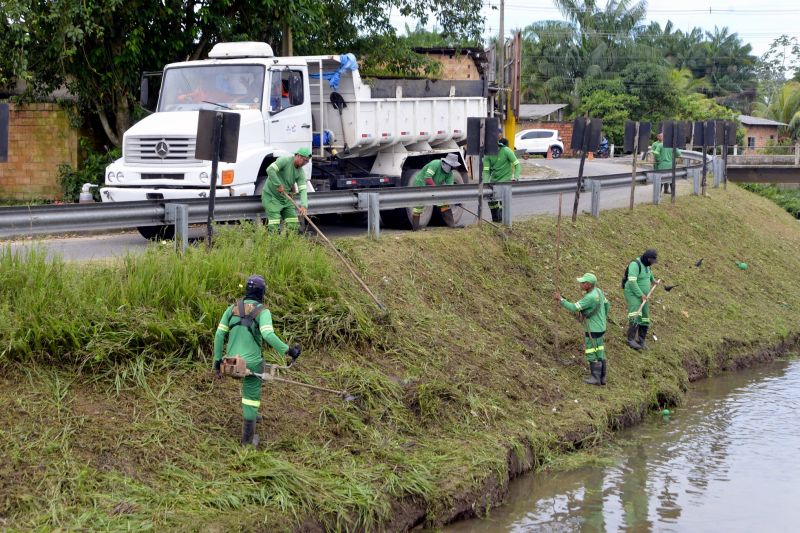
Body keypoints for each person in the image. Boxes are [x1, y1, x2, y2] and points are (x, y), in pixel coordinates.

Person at [213, 275, 301, 446]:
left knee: (259, 372)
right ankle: (247, 440)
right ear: (262, 293)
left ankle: (253, 414)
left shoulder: (231, 308)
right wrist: (288, 350)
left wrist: (217, 361)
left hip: (230, 362)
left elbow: (219, 334)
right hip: (251, 363)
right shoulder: (263, 312)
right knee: (251, 397)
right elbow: (268, 334)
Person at [554, 272, 611, 386]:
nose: (581, 284)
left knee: (591, 351)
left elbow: (574, 307)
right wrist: (603, 317)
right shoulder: (599, 291)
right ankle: (602, 378)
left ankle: (595, 378)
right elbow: (607, 304)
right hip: (601, 326)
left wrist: (561, 300)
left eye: (583, 282)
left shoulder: (589, 297)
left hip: (593, 329)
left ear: (589, 285)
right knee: (599, 349)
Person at [262, 148, 311, 233]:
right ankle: (274, 244)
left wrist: (304, 205)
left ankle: (289, 245)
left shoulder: (300, 172)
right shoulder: (285, 160)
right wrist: (278, 184)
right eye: (304, 160)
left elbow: (303, 190)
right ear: (298, 156)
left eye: (307, 162)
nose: (305, 163)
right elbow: (270, 169)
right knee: (274, 225)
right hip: (272, 197)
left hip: (285, 198)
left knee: (293, 225)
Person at [623, 249, 662, 350]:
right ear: (647, 259)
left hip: (644, 295)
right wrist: (640, 294)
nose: (652, 264)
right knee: (635, 313)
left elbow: (649, 273)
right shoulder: (635, 265)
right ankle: (630, 339)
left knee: (645, 316)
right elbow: (632, 282)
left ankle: (641, 340)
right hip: (632, 293)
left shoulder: (647, 265)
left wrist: (653, 281)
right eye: (651, 262)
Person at [411, 153, 462, 230]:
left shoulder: (449, 174)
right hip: (422, 183)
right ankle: (415, 229)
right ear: (446, 163)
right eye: (451, 167)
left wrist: (455, 200)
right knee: (419, 206)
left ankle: (452, 227)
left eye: (453, 167)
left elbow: (450, 188)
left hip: (434, 186)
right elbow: (427, 178)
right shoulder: (435, 164)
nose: (452, 169)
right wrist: (436, 189)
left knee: (444, 204)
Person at [482, 138, 520, 222]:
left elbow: (517, 165)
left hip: (505, 180)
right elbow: (486, 171)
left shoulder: (506, 151)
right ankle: (495, 219)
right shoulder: (487, 155)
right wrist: (485, 183)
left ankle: (503, 220)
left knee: (503, 202)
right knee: (491, 200)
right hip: (494, 181)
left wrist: (516, 176)